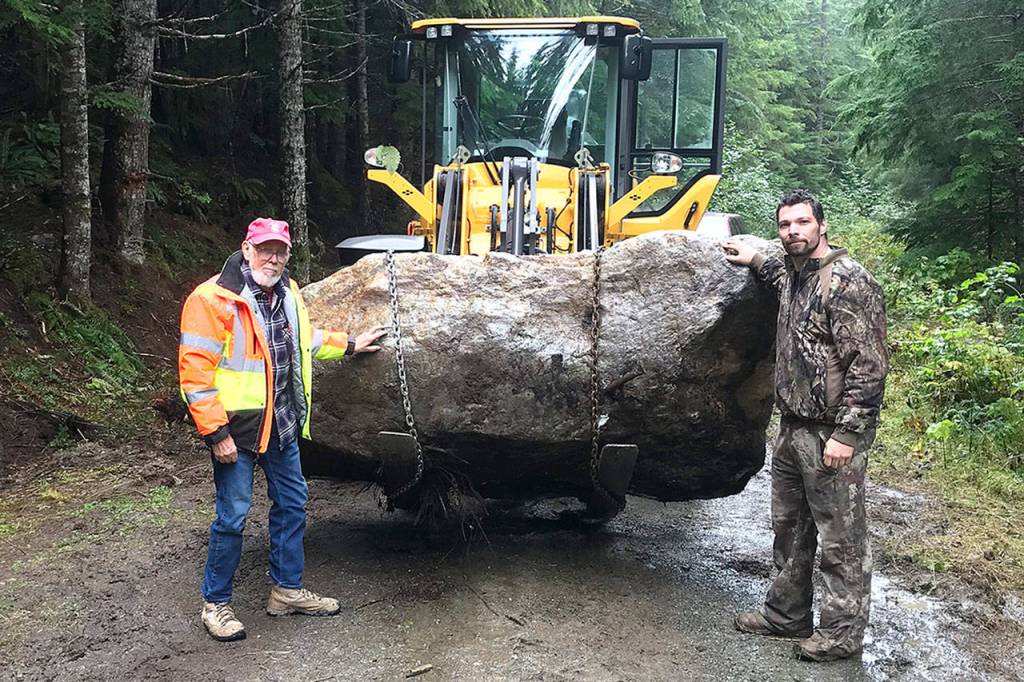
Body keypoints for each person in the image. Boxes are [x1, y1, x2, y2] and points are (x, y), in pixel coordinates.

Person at [179, 217, 385, 642]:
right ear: (246, 249)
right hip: (236, 430)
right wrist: (216, 434)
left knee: (293, 506)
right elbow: (194, 374)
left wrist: (349, 344)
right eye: (265, 249)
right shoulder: (211, 298)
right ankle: (215, 604)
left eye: (281, 251)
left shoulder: (287, 291)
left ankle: (286, 592)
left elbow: (301, 339)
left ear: (288, 255)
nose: (273, 258)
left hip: (283, 425)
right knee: (232, 516)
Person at [721, 190, 889, 662]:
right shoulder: (795, 275)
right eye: (785, 225)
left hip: (830, 433)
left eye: (801, 222)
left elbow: (869, 366)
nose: (793, 231)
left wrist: (848, 433)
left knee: (841, 539)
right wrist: (754, 256)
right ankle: (786, 613)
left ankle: (840, 635)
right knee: (789, 529)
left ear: (821, 225)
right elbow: (776, 270)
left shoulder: (849, 282)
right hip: (793, 427)